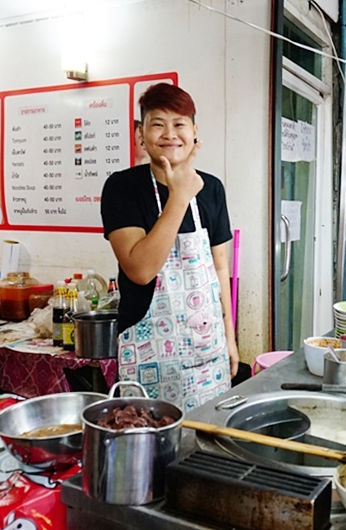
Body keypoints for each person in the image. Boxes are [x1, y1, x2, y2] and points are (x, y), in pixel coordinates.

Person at [101, 83, 239, 411]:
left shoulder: (212, 189)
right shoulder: (122, 188)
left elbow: (221, 268)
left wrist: (230, 338)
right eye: (158, 123)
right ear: (141, 134)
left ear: (194, 132)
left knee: (206, 445)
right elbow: (141, 270)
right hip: (149, 355)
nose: (169, 133)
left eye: (179, 124)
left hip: (209, 351)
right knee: (148, 447)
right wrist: (179, 196)